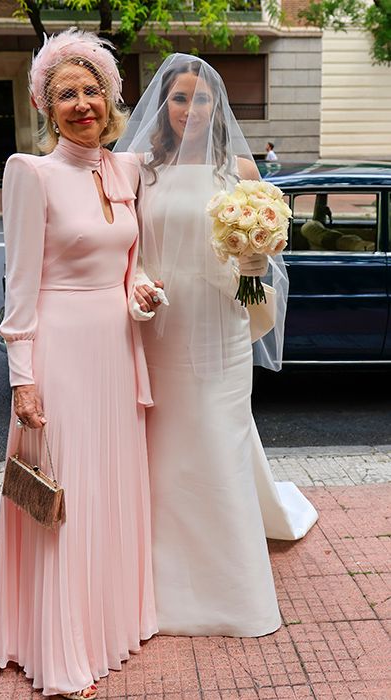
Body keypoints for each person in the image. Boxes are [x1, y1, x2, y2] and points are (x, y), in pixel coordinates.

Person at [114, 55, 318, 637]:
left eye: (201, 99)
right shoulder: (139, 170)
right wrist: (140, 286)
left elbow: (261, 265)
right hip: (163, 323)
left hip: (224, 322)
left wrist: (255, 261)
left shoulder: (240, 169)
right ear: (163, 105)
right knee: (167, 436)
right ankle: (155, 570)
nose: (191, 109)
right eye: (180, 98)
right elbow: (129, 250)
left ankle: (229, 579)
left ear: (217, 106)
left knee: (218, 428)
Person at [0, 29, 159, 697]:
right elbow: (19, 285)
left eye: (91, 90)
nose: (82, 103)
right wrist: (23, 376)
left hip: (115, 351)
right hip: (60, 351)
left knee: (114, 482)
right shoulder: (32, 173)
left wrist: (139, 287)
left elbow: (126, 260)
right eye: (66, 94)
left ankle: (115, 622)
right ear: (45, 104)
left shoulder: (128, 168)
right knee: (66, 493)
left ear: (110, 97)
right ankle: (62, 653)